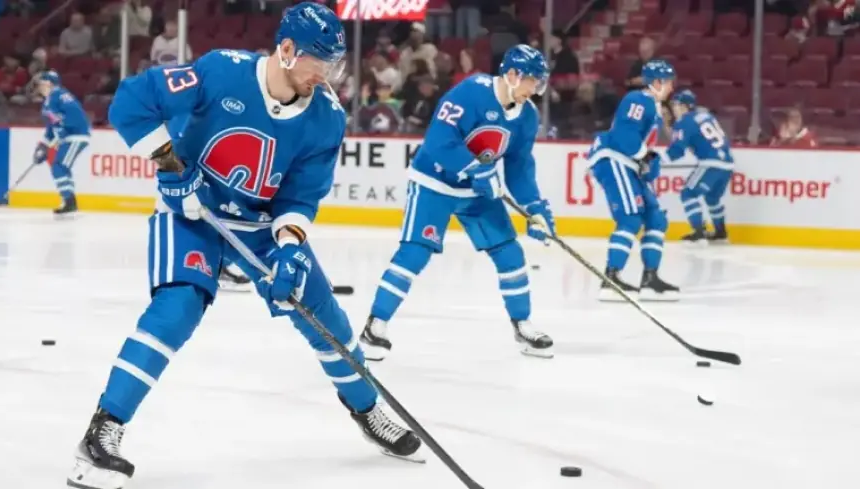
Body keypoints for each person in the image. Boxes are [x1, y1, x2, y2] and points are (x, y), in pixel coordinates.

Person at [66, 4, 423, 489]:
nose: (327, 76)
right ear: (288, 50)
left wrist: (291, 246)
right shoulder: (220, 71)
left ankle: (367, 408)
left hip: (259, 227)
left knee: (328, 321)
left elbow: (300, 194)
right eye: (320, 62)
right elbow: (130, 103)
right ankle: (102, 431)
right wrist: (172, 168)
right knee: (176, 309)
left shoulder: (326, 117)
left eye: (334, 65)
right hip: (191, 214)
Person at [360, 44, 556, 361]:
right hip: (434, 183)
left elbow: (519, 168)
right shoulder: (470, 92)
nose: (535, 89)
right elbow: (438, 141)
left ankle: (523, 325)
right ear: (512, 74)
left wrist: (534, 208)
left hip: (476, 193)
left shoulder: (527, 116)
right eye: (532, 80)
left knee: (509, 251)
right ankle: (376, 324)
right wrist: (475, 167)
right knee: (415, 252)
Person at [586, 60, 680, 302]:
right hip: (615, 160)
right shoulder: (638, 100)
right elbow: (623, 136)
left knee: (655, 219)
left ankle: (650, 279)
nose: (672, 87)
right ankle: (611, 278)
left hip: (629, 166)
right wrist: (645, 156)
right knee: (629, 218)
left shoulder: (654, 107)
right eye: (669, 82)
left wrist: (650, 163)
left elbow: (642, 148)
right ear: (657, 82)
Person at [667, 90, 734, 244]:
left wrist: (656, 160)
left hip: (711, 163)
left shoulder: (685, 121)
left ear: (685, 106)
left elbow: (677, 151)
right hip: (727, 164)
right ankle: (720, 233)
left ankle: (699, 232)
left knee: (688, 193)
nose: (674, 108)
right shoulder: (707, 116)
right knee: (712, 198)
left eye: (676, 105)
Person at [33, 70, 91, 216]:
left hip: (75, 136)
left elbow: (60, 124)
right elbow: (53, 128)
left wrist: (47, 146)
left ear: (49, 83)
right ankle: (69, 201)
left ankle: (70, 202)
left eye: (42, 82)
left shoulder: (54, 98)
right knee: (61, 167)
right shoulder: (57, 96)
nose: (39, 86)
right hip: (73, 136)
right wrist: (44, 146)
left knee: (59, 166)